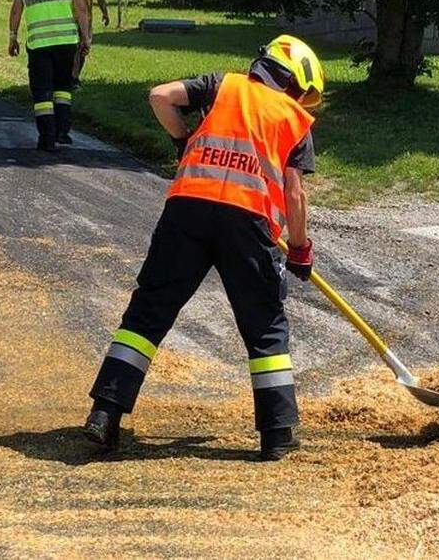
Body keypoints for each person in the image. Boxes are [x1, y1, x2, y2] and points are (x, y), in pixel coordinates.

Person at [82, 35, 325, 461]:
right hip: (247, 224)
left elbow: (160, 96)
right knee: (264, 324)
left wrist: (183, 141)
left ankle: (106, 412)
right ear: (297, 83)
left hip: (187, 211)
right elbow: (293, 192)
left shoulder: (222, 86)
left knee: (149, 311)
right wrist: (300, 249)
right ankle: (277, 433)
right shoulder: (293, 118)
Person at [8, 0, 92, 150]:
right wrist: (85, 37)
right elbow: (81, 9)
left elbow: (17, 9)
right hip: (66, 41)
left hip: (39, 44)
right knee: (63, 87)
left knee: (42, 91)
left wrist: (12, 36)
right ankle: (63, 132)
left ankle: (47, 137)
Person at [68, 0, 109, 88]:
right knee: (73, 48)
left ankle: (75, 76)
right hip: (70, 17)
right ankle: (71, 77)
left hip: (87, 19)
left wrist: (105, 13)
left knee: (84, 49)